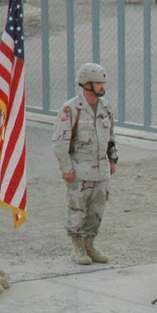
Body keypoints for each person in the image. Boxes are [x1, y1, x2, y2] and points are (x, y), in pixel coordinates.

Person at [52, 62, 118, 265]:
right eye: (97, 83)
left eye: (102, 83)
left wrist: (113, 158)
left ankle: (90, 244)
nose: (101, 87)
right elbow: (60, 141)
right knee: (77, 208)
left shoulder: (105, 106)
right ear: (85, 84)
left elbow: (111, 136)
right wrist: (66, 168)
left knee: (97, 209)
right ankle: (77, 247)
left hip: (101, 171)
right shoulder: (71, 109)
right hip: (80, 170)